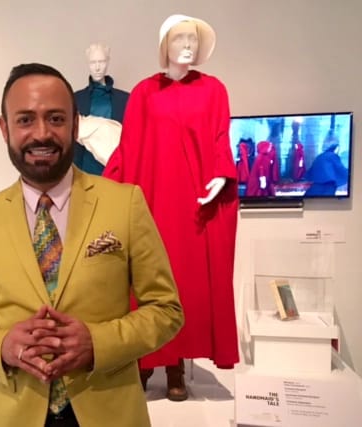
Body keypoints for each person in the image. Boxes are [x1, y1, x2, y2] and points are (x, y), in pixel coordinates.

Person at [0, 63, 183, 427]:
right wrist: (2, 347)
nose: (42, 134)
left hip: (111, 412)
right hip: (17, 414)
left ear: (75, 126)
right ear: (5, 129)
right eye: (25, 120)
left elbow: (166, 310)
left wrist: (98, 342)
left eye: (55, 118)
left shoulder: (125, 203)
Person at [103, 14, 239, 401]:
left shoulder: (213, 90)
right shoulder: (145, 93)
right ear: (165, 45)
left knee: (184, 283)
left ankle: (175, 365)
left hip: (193, 204)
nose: (188, 45)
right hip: (152, 199)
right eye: (180, 38)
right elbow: (129, 146)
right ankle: (144, 361)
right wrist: (111, 190)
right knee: (146, 279)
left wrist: (221, 174)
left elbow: (220, 138)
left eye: (193, 39)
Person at [73, 43, 128, 175]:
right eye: (93, 62)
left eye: (101, 62)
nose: (97, 67)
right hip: (85, 169)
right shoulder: (76, 99)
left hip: (117, 169)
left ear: (108, 62)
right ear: (88, 64)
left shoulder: (125, 99)